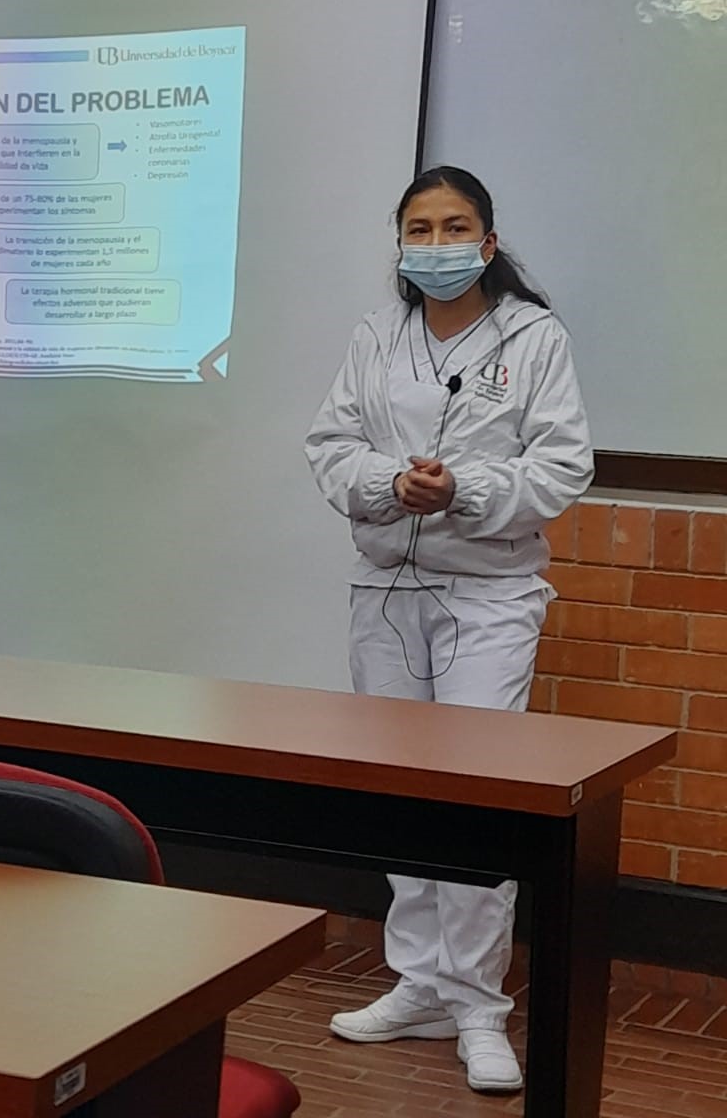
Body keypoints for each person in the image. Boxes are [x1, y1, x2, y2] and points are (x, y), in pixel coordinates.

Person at [304, 165, 593, 1095]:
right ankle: (418, 982)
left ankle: (477, 1006)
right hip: (386, 584)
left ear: (490, 242)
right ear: (399, 244)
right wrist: (390, 483)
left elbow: (561, 466)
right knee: (402, 792)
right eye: (419, 229)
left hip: (489, 593)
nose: (437, 245)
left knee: (474, 795)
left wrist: (465, 488)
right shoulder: (375, 335)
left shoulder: (533, 336)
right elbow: (329, 445)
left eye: (455, 226)